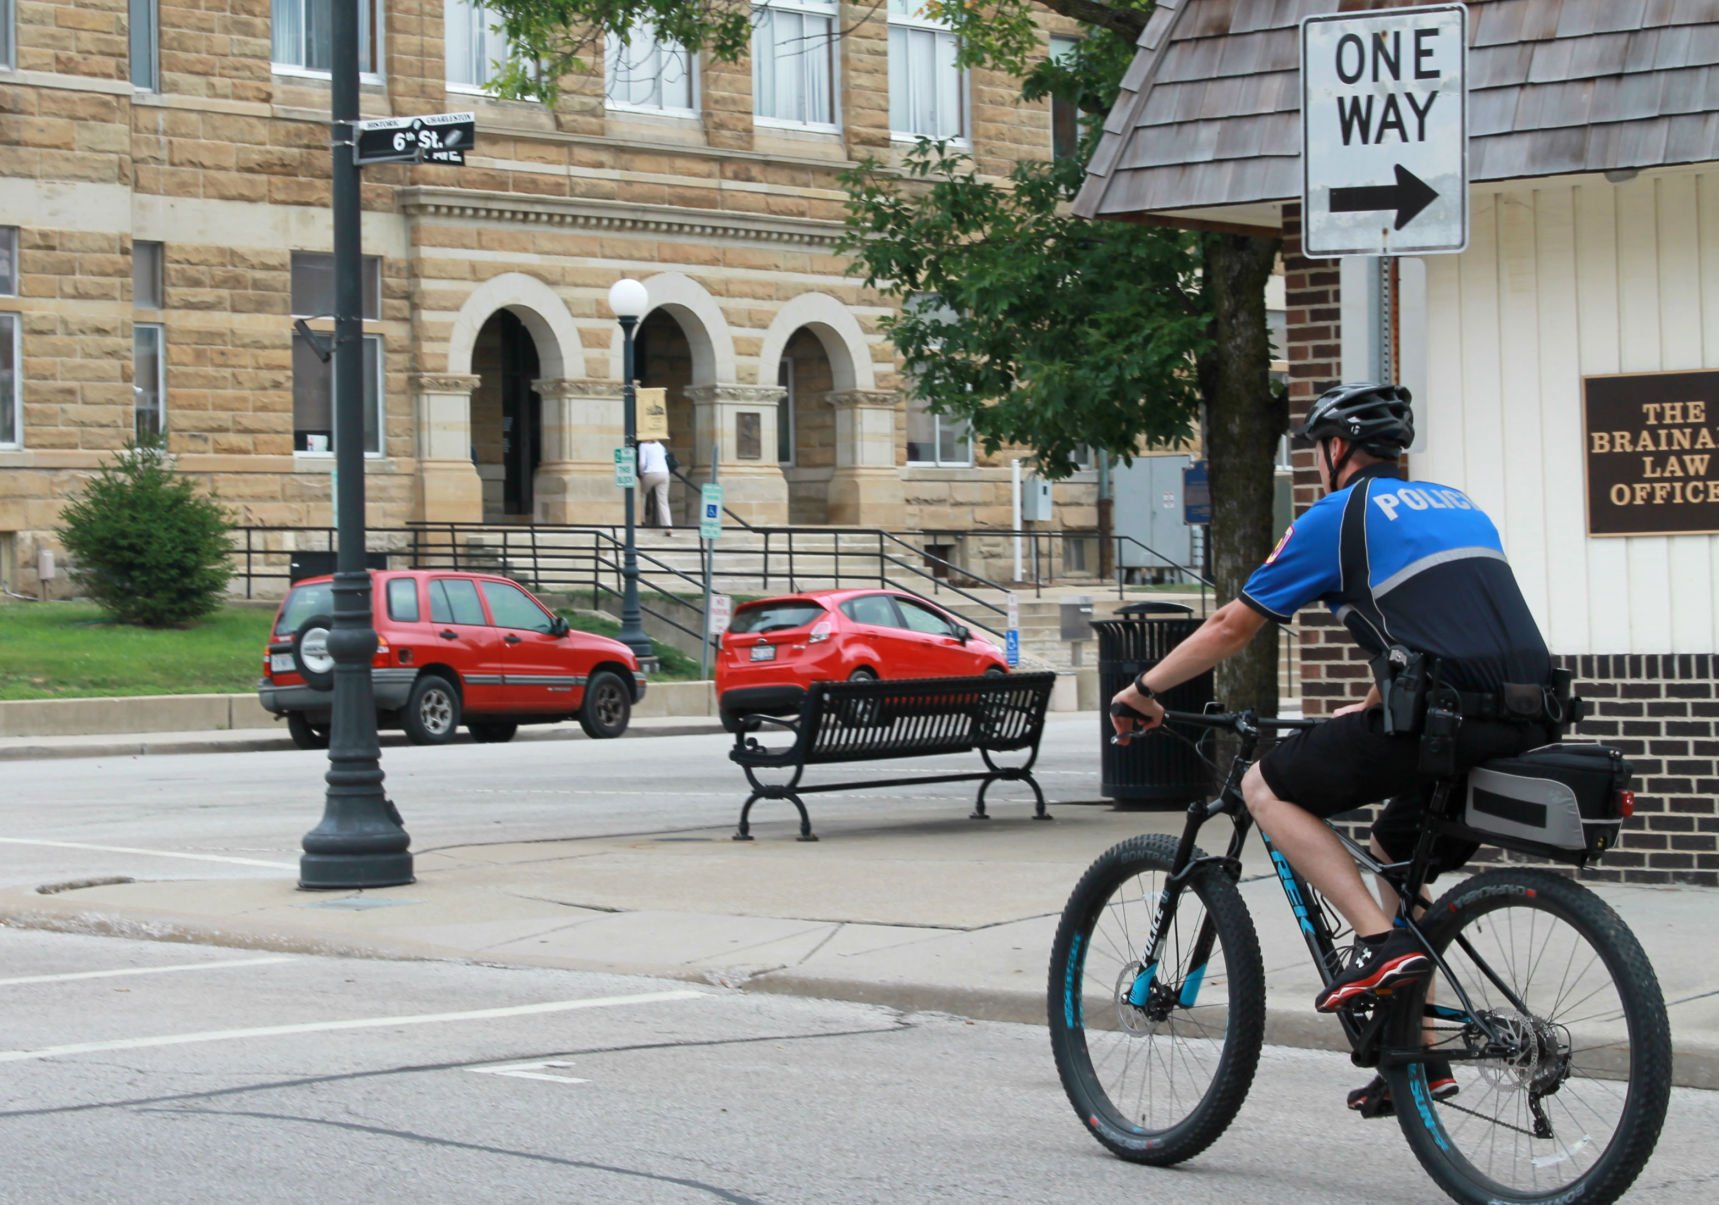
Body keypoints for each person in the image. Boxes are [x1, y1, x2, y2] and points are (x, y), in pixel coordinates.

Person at [1109, 382, 1557, 1116]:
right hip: (1528, 712)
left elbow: (1230, 624)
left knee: (1262, 784)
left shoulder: (1335, 515)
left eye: (1317, 447)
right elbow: (1439, 623)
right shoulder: (1458, 506)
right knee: (1390, 843)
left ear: (1337, 448)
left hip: (1443, 720)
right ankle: (1412, 1051)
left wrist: (1145, 688)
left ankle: (1380, 946)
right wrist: (1376, 703)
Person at [636, 438, 672, 533]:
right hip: (664, 473)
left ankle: (641, 519)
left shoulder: (643, 445)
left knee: (641, 494)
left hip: (650, 473)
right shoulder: (660, 445)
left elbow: (642, 463)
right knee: (663, 501)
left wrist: (641, 474)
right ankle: (667, 526)